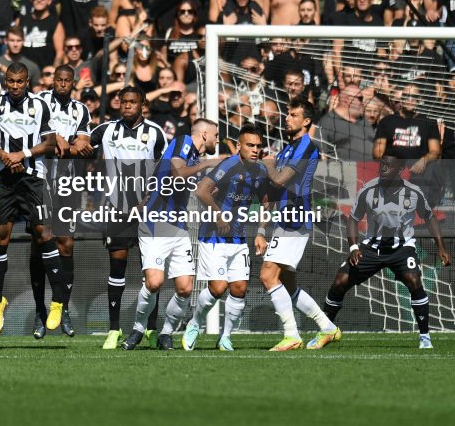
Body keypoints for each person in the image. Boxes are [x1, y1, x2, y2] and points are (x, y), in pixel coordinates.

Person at [322, 156, 452, 350]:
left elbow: (430, 217)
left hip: (402, 248)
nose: (383, 168)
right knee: (340, 281)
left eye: (389, 166)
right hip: (371, 248)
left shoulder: (413, 192)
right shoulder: (368, 189)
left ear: (400, 170)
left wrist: (441, 247)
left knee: (414, 281)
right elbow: (353, 219)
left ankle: (425, 337)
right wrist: (354, 247)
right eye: (382, 164)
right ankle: (326, 331)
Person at [0, 62, 64, 335]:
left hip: (32, 178)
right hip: (5, 179)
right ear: (5, 81)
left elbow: (50, 143)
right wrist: (6, 156)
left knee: (44, 234)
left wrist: (22, 155)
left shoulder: (40, 106)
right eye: (11, 81)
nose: (15, 86)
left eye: (20, 81)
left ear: (28, 82)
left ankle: (58, 301)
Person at [131, 117, 222, 350]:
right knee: (154, 282)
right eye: (216, 135)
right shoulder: (183, 142)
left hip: (178, 226)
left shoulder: (193, 158)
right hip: (155, 224)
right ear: (204, 135)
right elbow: (177, 174)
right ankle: (138, 329)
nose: (217, 140)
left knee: (185, 288)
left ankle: (166, 334)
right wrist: (209, 163)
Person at [255, 98, 339, 351]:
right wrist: (261, 229)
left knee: (267, 275)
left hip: (295, 219)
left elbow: (279, 180)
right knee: (287, 283)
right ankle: (328, 328)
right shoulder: (285, 150)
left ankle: (291, 335)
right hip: (282, 220)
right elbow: (271, 191)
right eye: (287, 114)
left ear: (306, 121)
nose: (287, 118)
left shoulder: (306, 147)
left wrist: (268, 164)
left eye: (293, 114)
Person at [87, 85, 167, 350]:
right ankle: (113, 329)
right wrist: (71, 144)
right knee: (117, 269)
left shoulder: (156, 133)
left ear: (143, 103)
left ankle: (152, 329)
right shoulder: (107, 129)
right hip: (116, 208)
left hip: (147, 211)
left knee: (151, 273)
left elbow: (163, 169)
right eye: (123, 102)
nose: (127, 106)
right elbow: (83, 142)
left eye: (132, 102)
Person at [183, 124, 269, 352]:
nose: (255, 150)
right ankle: (195, 323)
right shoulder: (228, 166)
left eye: (258, 146)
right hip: (213, 237)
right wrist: (218, 216)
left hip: (239, 238)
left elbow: (268, 200)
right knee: (219, 288)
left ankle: (225, 337)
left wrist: (261, 231)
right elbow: (201, 190)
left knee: (239, 288)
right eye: (250, 145)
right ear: (239, 146)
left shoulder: (260, 171)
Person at [31, 64, 91, 337]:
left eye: (68, 80)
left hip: (67, 182)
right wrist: (59, 139)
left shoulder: (81, 110)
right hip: (39, 179)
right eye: (59, 80)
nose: (63, 84)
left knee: (66, 243)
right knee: (41, 241)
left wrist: (71, 142)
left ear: (73, 83)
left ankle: (62, 306)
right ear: (53, 80)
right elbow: (37, 134)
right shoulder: (39, 101)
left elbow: (82, 143)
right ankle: (39, 312)